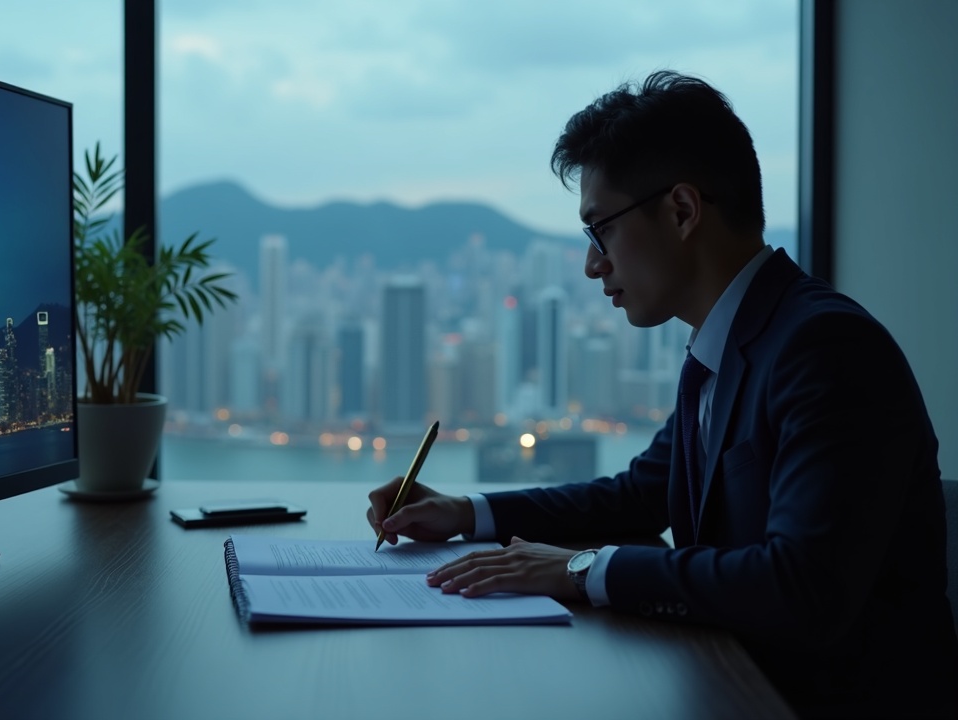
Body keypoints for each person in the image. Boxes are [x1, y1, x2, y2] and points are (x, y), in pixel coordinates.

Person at [367, 70, 957, 719]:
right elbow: (639, 494)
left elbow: (800, 586)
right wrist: (464, 512)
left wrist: (579, 570)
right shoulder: (729, 343)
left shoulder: (824, 348)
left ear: (681, 210)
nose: (594, 264)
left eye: (601, 231)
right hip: (732, 687)